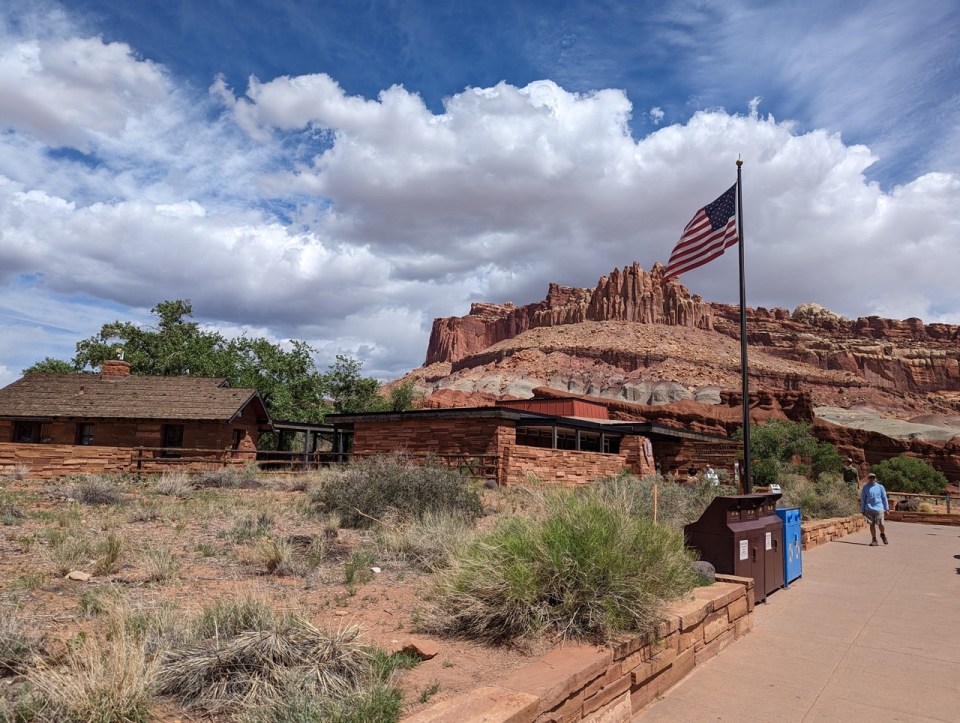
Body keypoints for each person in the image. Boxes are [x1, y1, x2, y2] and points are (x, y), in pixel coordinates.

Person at [860, 472, 889, 546]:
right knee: (871, 524)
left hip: (879, 508)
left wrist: (887, 508)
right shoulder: (865, 487)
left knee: (880, 524)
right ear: (868, 478)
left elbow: (884, 498)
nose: (871, 479)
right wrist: (862, 509)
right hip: (869, 508)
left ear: (875, 478)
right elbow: (863, 499)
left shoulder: (880, 487)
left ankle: (882, 534)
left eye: (873, 477)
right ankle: (874, 540)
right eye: (870, 477)